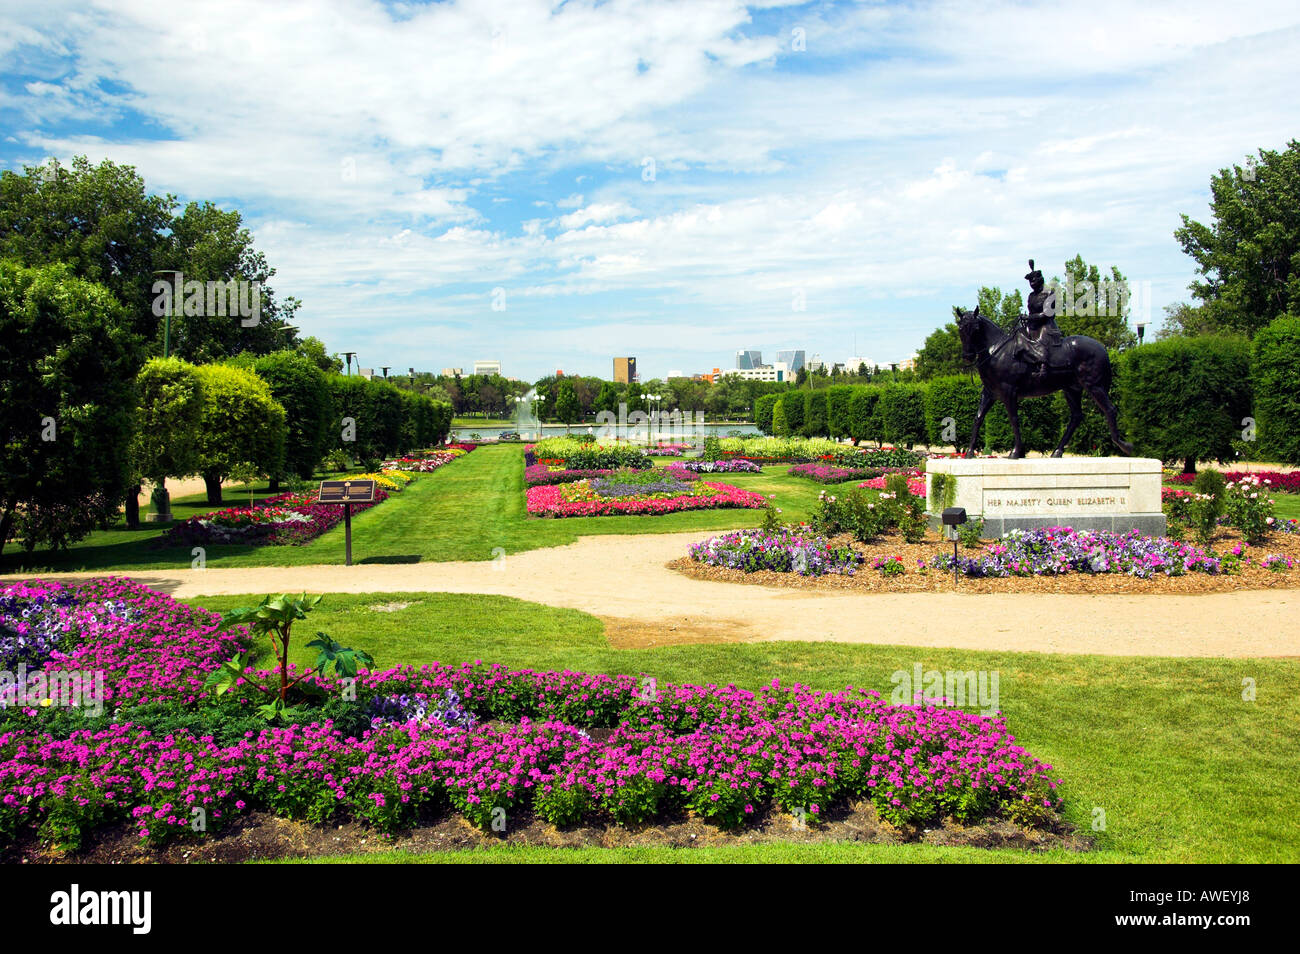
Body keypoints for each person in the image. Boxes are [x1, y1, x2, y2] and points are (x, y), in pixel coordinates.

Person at [1016, 259, 1065, 375]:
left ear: (1040, 280)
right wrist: (1025, 318)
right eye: (1030, 282)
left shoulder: (1049, 293)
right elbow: (1031, 313)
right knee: (1018, 334)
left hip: (1047, 325)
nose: (1031, 284)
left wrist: (1030, 318)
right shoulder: (1031, 296)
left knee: (1042, 337)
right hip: (1033, 325)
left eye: (1033, 281)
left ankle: (1044, 365)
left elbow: (1048, 314)